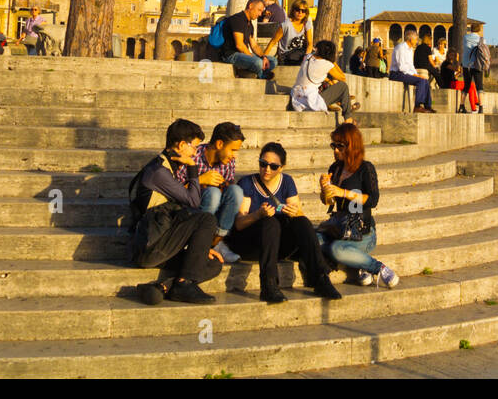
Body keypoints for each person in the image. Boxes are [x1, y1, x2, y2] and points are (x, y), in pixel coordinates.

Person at [224, 143, 342, 303]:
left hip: (277, 245)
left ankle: (321, 279)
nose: (267, 169)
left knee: (302, 222)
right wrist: (258, 214)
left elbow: (298, 212)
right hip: (250, 244)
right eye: (263, 164)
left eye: (273, 166)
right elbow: (239, 224)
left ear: (281, 168)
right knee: (270, 223)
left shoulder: (286, 182)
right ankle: (269, 285)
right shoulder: (247, 183)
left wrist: (295, 213)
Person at [129, 119, 222, 305]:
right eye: (194, 148)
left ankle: (162, 287)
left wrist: (201, 248)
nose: (195, 153)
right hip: (149, 246)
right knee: (206, 219)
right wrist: (192, 167)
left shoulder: (169, 168)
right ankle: (184, 284)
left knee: (213, 264)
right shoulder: (158, 172)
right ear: (181, 145)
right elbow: (194, 201)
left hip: (161, 243)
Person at [317, 123, 398, 287]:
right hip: (340, 227)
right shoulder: (336, 167)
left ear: (352, 146)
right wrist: (325, 189)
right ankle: (361, 263)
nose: (335, 150)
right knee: (313, 238)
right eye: (333, 145)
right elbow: (328, 202)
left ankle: (379, 268)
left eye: (340, 146)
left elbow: (373, 200)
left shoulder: (365, 168)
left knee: (336, 249)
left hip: (363, 232)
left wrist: (343, 193)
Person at [174, 121, 245, 265]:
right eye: (233, 150)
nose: (234, 156)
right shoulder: (193, 155)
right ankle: (194, 241)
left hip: (214, 216)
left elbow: (229, 188)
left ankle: (215, 243)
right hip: (188, 214)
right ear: (219, 144)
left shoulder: (228, 161)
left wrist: (223, 186)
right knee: (213, 194)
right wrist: (199, 180)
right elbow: (174, 192)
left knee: (236, 191)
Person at [290, 40, 359, 121]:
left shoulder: (308, 57)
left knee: (328, 81)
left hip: (296, 97)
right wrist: (332, 61)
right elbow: (343, 78)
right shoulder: (327, 64)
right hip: (310, 102)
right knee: (343, 87)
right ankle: (348, 119)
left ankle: (342, 104)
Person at [219, 0, 276, 79]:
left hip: (242, 54)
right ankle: (261, 74)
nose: (260, 14)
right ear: (251, 6)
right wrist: (254, 58)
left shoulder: (250, 24)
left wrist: (264, 57)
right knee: (258, 63)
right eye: (259, 10)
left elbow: (254, 46)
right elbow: (239, 45)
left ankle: (251, 71)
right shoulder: (237, 19)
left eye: (261, 11)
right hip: (231, 55)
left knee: (273, 61)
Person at [388, 29, 433, 113]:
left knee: (425, 81)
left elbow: (411, 66)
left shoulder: (410, 50)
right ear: (410, 39)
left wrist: (416, 74)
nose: (417, 41)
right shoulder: (400, 48)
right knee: (420, 81)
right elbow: (402, 67)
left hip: (404, 73)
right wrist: (415, 76)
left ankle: (428, 106)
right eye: (415, 39)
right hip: (396, 74)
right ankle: (417, 106)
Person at [276, 1, 313, 66]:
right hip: (286, 55)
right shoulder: (286, 24)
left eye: (303, 11)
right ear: (293, 10)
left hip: (301, 53)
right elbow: (273, 42)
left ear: (306, 13)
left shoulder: (306, 23)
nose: (300, 12)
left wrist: (306, 56)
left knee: (322, 56)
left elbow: (310, 43)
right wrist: (264, 57)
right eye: (297, 10)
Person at [461, 22, 484, 114]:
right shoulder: (481, 40)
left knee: (466, 86)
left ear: (471, 29)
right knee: (479, 86)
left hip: (466, 65)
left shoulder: (465, 38)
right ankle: (481, 107)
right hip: (477, 65)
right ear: (479, 30)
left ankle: (461, 106)